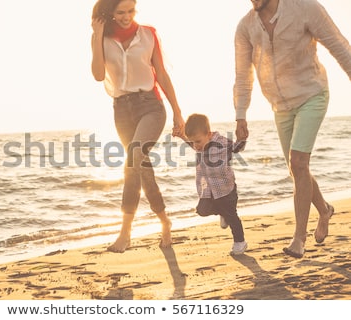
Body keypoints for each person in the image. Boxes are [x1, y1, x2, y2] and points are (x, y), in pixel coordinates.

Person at [233, 0, 351, 258]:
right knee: (297, 169)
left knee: (298, 163)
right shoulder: (245, 27)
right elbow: (243, 75)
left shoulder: (305, 8)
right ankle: (324, 210)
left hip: (312, 94)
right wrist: (240, 115)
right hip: (280, 106)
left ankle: (299, 238)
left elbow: (339, 46)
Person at [91, 0, 185, 252]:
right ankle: (165, 222)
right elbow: (99, 75)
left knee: (132, 160)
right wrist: (98, 35)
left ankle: (125, 233)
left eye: (131, 11)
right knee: (142, 169)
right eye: (120, 12)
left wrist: (177, 112)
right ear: (110, 13)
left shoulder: (148, 35)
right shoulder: (101, 38)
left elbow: (162, 74)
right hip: (121, 110)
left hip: (150, 106)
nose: (126, 16)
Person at [182, 114, 248, 255]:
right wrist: (182, 136)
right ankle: (221, 213)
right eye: (192, 142)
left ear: (209, 134)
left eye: (198, 141)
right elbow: (192, 142)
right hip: (209, 189)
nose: (196, 146)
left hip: (226, 189)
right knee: (202, 210)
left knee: (232, 216)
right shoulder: (199, 144)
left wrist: (243, 138)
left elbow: (237, 148)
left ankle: (240, 242)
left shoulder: (222, 142)